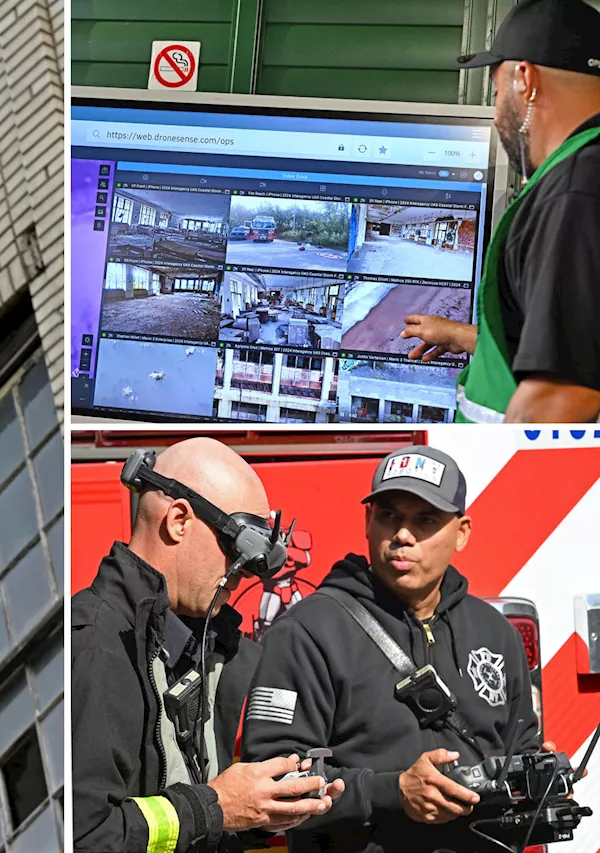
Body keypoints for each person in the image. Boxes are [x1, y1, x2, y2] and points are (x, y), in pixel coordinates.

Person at [242, 445, 540, 853]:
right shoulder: (307, 631)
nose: (402, 535)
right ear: (368, 521)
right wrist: (392, 792)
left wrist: (539, 779)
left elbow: (520, 746)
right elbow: (273, 782)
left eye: (425, 520)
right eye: (389, 516)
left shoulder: (497, 632)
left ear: (462, 532)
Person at [72, 438, 343, 853]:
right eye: (238, 548)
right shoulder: (95, 644)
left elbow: (186, 816)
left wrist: (261, 811)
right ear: (179, 519)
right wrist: (216, 807)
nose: (241, 577)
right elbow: (85, 836)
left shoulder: (199, 645)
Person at [398, 0, 600, 422]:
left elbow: (563, 394)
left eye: (494, 92)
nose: (493, 118)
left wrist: (498, 481)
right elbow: (574, 337)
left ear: (525, 80)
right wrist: (465, 336)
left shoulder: (576, 191)